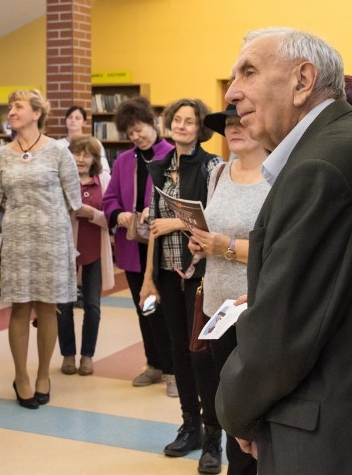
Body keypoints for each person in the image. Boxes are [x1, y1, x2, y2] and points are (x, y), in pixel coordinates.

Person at [216, 28, 352, 474]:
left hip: (319, 428)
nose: (232, 93)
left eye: (248, 72)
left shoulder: (318, 166)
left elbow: (281, 335)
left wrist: (235, 411)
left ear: (302, 81)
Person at [186, 104, 268, 475]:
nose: (233, 129)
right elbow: (213, 230)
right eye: (228, 125)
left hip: (258, 307)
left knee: (257, 409)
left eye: (241, 122)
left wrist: (228, 248)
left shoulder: (279, 175)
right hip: (218, 306)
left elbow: (282, 248)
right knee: (228, 402)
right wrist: (201, 244)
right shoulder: (219, 172)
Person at [139, 99, 222, 467]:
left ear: (200, 127)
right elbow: (154, 226)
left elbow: (214, 222)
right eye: (177, 119)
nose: (183, 125)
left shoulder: (211, 166)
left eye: (190, 121)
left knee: (200, 354)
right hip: (168, 272)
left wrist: (177, 223)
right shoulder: (156, 167)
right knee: (176, 351)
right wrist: (148, 278)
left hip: (201, 272)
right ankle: (189, 425)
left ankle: (212, 436)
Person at [0, 89, 82, 409]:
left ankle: (44, 374)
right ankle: (22, 377)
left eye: (18, 106)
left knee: (47, 307)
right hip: (17, 238)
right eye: (10, 106)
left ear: (36, 113)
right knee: (19, 307)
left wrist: (70, 248)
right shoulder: (2, 154)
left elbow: (75, 202)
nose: (11, 111)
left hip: (53, 238)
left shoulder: (59, 151)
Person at [101, 97, 175, 394]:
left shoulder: (171, 155)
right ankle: (154, 364)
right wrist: (119, 214)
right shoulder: (123, 160)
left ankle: (173, 371)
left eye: (140, 128)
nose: (136, 136)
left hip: (164, 247)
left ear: (152, 122)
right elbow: (109, 199)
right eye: (130, 133)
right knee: (144, 309)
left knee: (166, 310)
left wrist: (151, 210)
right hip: (133, 247)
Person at [58, 135, 114, 376]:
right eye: (76, 153)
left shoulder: (105, 179)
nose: (80, 159)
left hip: (95, 252)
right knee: (63, 305)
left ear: (94, 159)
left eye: (86, 154)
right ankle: (68, 355)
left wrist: (92, 214)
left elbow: (113, 218)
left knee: (93, 306)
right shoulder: (61, 180)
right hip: (65, 252)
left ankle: (87, 356)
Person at [57, 106, 110, 173]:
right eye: (70, 117)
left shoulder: (94, 142)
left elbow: (104, 169)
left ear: (84, 123)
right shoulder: (56, 144)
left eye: (77, 118)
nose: (73, 120)